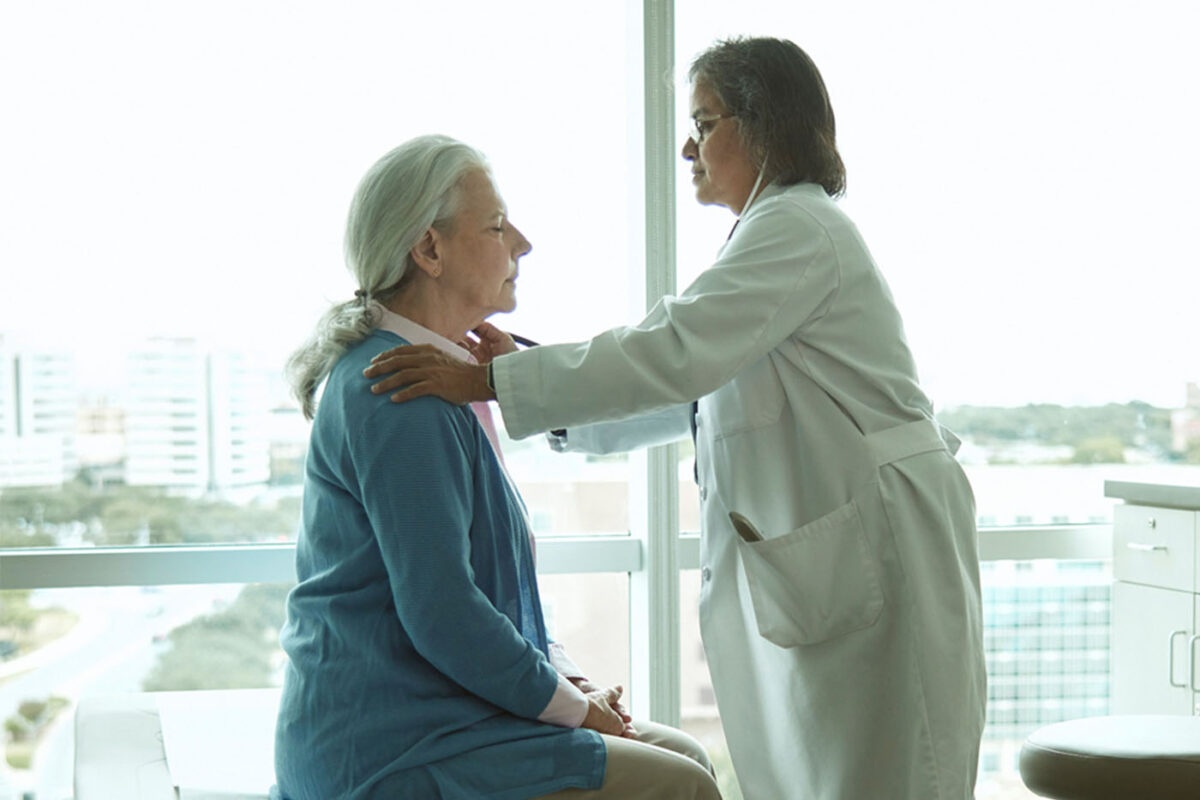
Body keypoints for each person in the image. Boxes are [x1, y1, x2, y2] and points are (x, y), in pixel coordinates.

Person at [363, 38, 988, 799]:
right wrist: (518, 378)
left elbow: (678, 351)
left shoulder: (799, 228)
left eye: (705, 122)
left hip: (884, 545)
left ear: (762, 127)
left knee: (887, 774)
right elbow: (693, 388)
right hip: (849, 544)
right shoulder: (772, 234)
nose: (687, 146)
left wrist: (496, 379)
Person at [274, 135, 720, 800]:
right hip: (392, 745)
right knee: (679, 786)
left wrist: (568, 685)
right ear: (429, 250)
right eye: (495, 225)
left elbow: (498, 599)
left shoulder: (448, 382)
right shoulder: (399, 390)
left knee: (685, 756)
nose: (523, 242)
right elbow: (445, 614)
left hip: (447, 716)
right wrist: (573, 707)